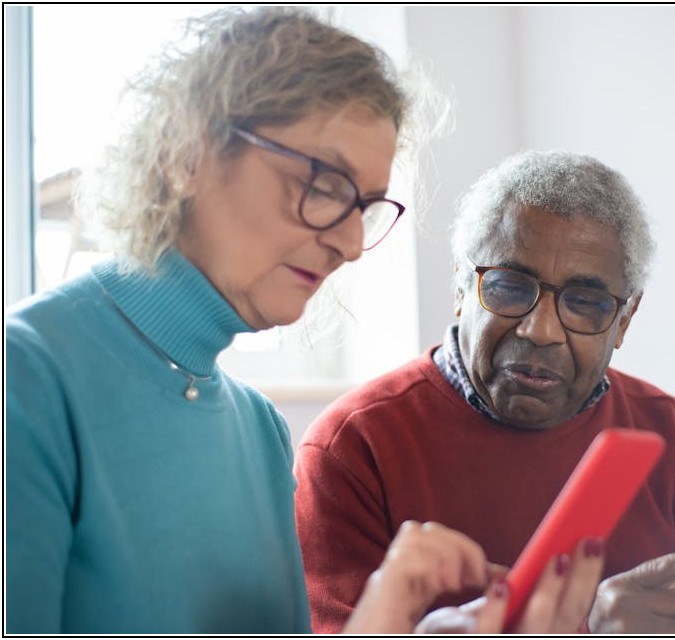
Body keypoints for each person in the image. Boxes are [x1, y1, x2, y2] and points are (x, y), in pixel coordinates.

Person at [5, 9, 605, 634]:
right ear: (185, 152)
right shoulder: (26, 382)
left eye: (367, 207)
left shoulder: (258, 429)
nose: (349, 244)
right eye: (323, 183)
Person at [293, 149, 675, 633]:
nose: (540, 331)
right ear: (462, 289)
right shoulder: (354, 446)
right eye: (510, 286)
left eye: (586, 302)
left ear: (624, 322)